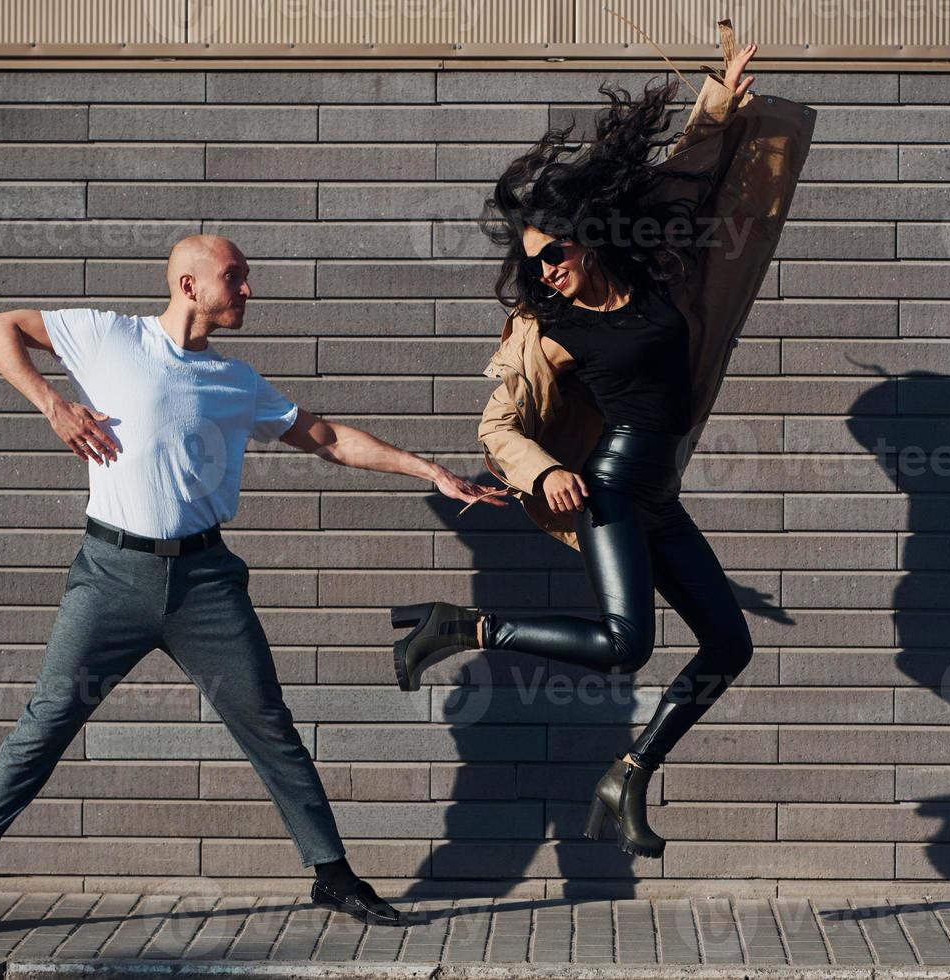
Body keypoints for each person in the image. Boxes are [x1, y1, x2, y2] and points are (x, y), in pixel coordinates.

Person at [0, 234, 505, 934]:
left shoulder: (236, 381)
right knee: (47, 721)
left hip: (205, 583)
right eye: (234, 278)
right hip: (110, 576)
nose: (247, 290)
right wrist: (54, 405)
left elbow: (326, 438)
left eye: (246, 277)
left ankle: (332, 876)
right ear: (187, 284)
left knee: (268, 724)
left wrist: (433, 474)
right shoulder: (106, 336)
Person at [390, 25, 815, 858]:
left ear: (587, 235)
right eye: (535, 262)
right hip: (612, 489)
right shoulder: (545, 328)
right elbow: (497, 425)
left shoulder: (653, 272)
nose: (545, 269)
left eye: (554, 253)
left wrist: (723, 96)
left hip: (660, 492)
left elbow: (689, 170)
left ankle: (629, 772)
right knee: (628, 646)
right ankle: (463, 629)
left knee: (730, 642)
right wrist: (544, 471)